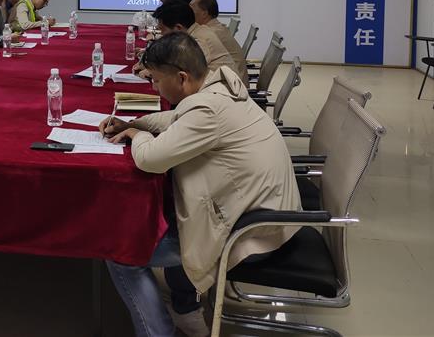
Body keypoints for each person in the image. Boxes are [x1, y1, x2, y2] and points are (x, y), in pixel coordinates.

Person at [100, 33, 301, 337]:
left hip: (248, 232)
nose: (154, 87)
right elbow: (176, 119)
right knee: (169, 214)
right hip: (258, 211)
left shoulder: (207, 110)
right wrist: (136, 124)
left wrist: (136, 136)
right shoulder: (219, 89)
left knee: (121, 251)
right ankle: (187, 310)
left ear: (181, 78)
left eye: (156, 80)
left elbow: (150, 159)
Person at [134, 1, 238, 81]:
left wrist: (153, 71)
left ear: (178, 28)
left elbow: (182, 69)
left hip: (223, 93)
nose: (161, 35)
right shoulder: (196, 31)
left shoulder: (199, 40)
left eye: (162, 30)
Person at [190, 0, 249, 86]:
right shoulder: (215, 28)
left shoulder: (210, 33)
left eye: (191, 11)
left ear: (204, 13)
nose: (188, 14)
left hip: (234, 85)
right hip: (233, 80)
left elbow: (194, 65)